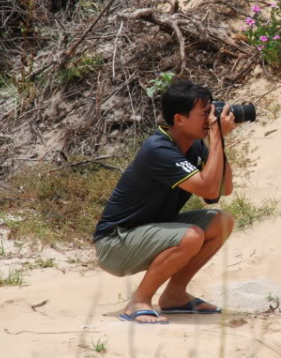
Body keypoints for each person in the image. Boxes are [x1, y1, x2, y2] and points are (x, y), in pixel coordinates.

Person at [93, 81, 236, 324]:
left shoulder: (195, 147)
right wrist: (216, 136)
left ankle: (175, 296)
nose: (209, 119)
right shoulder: (158, 148)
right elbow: (208, 186)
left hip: (147, 231)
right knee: (190, 236)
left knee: (222, 221)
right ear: (179, 119)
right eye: (204, 114)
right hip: (115, 242)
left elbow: (223, 189)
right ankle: (138, 302)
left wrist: (217, 141)